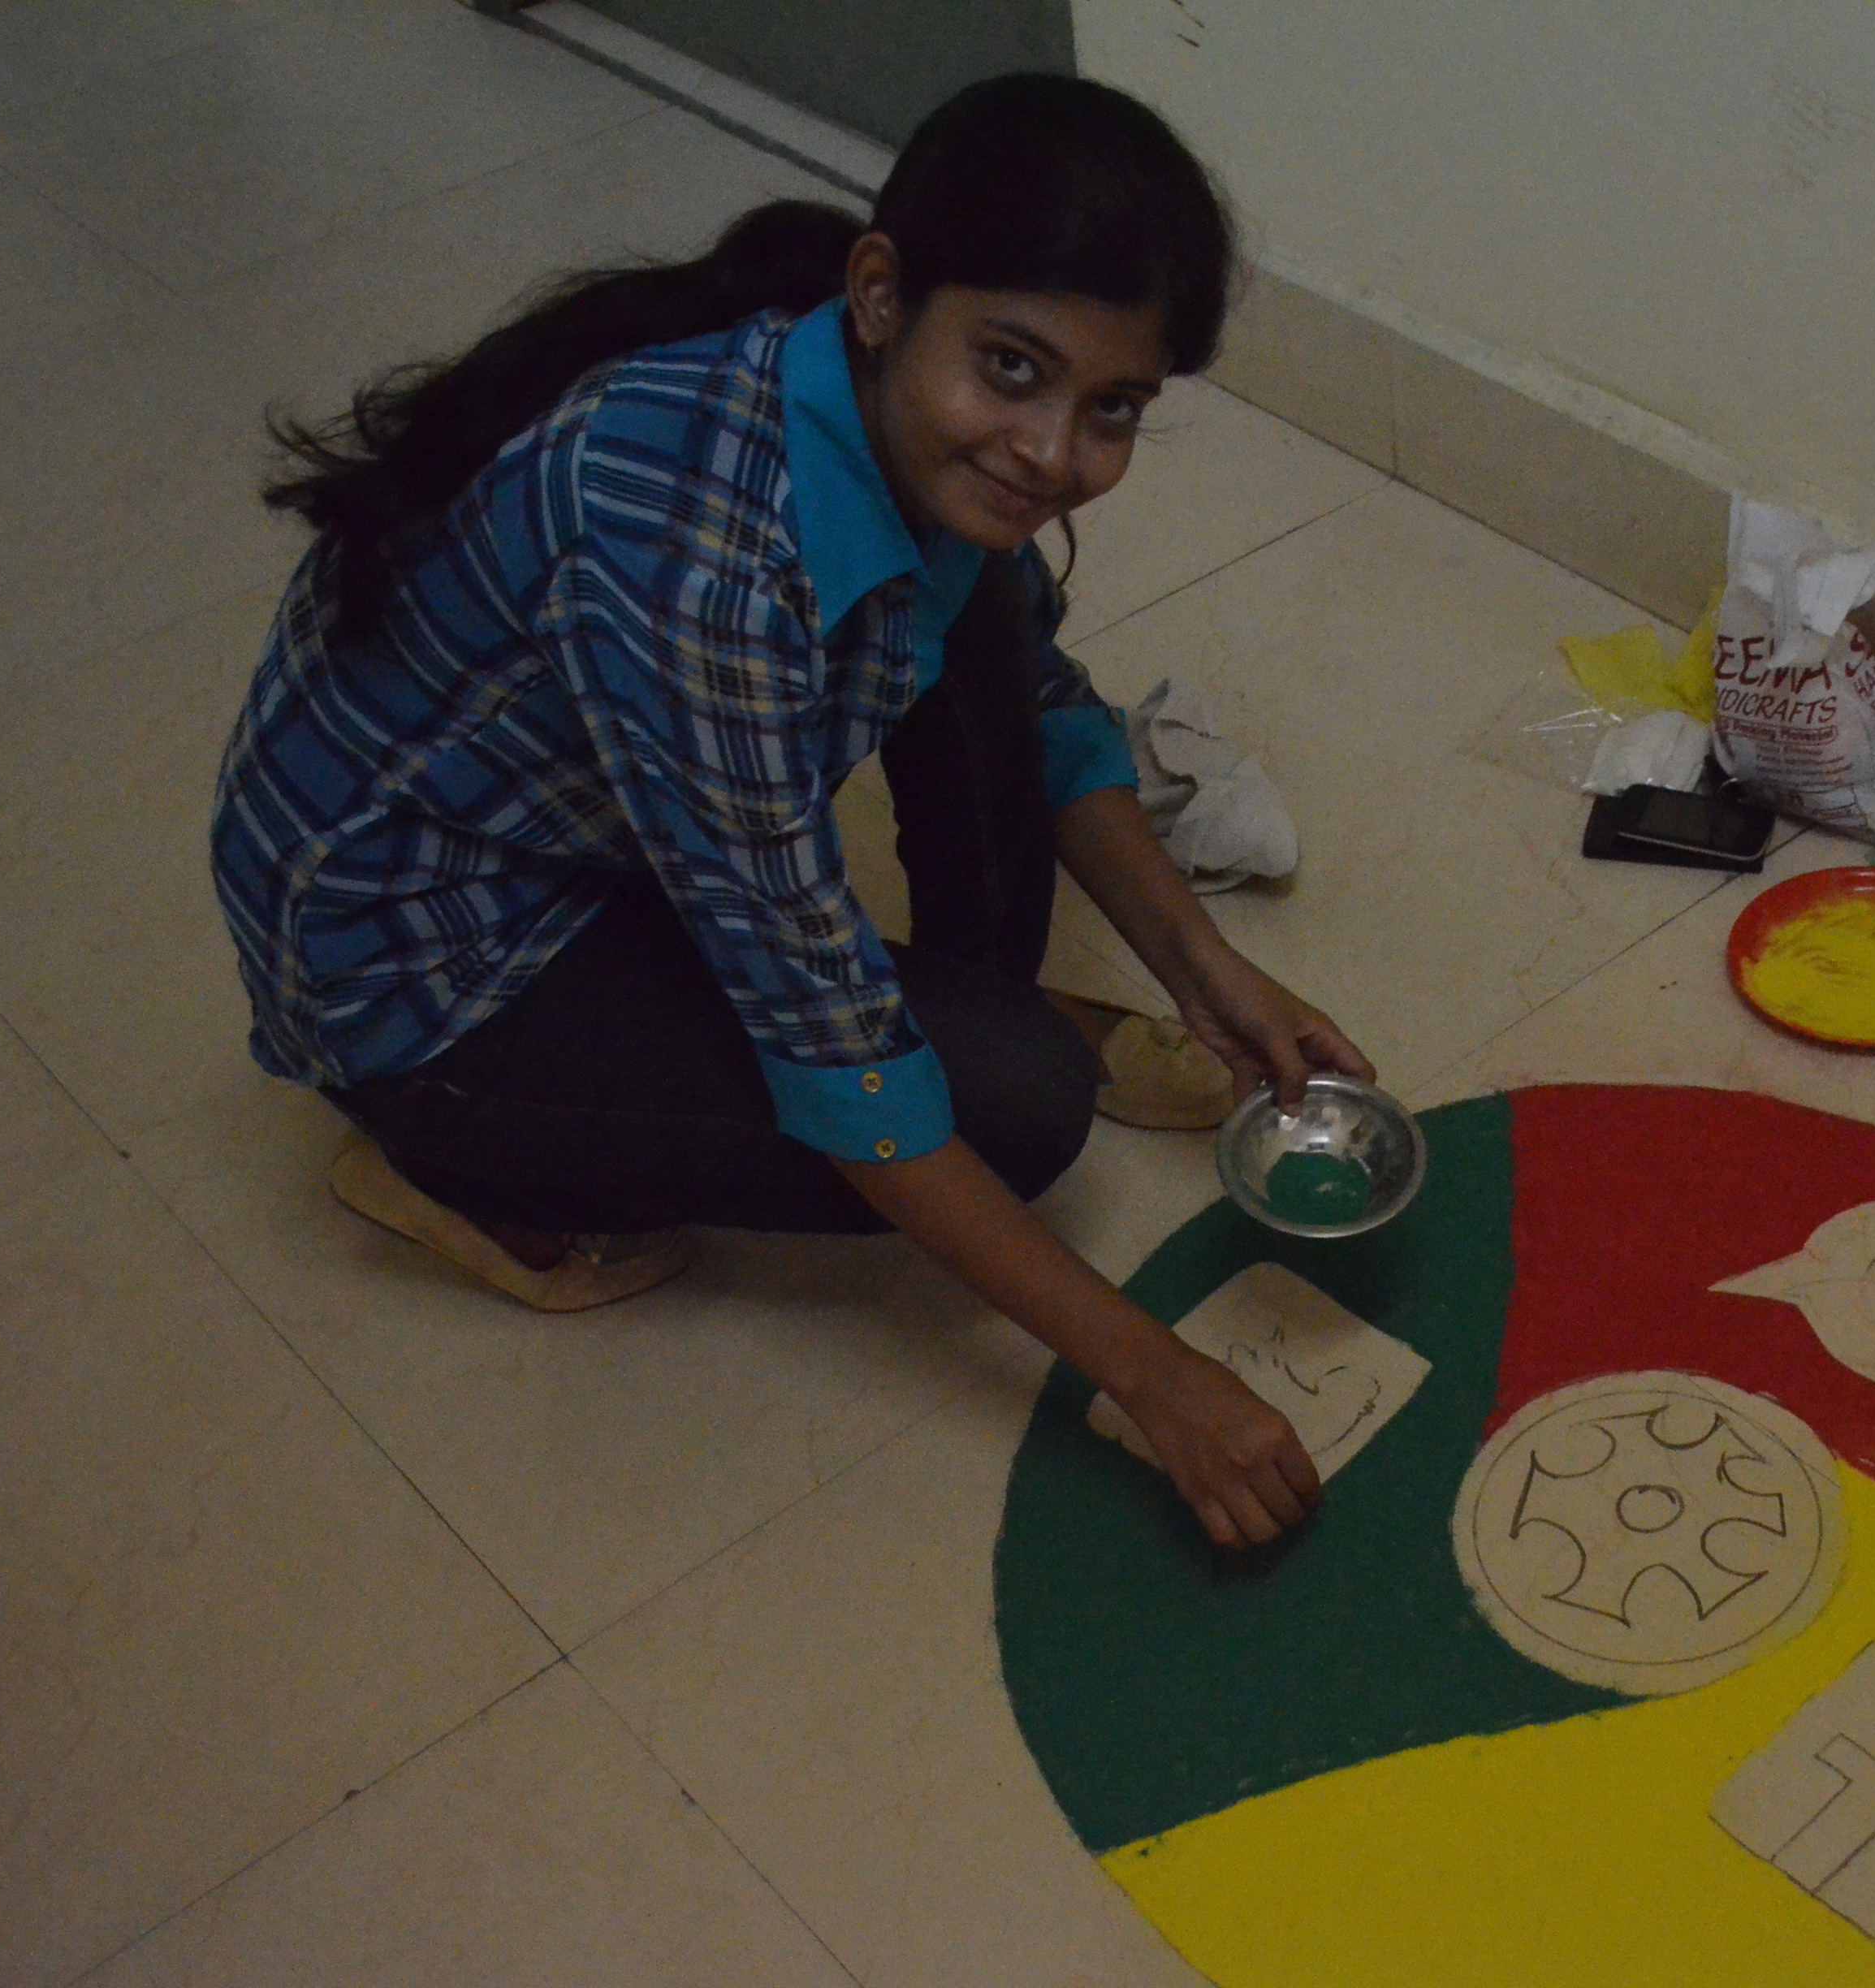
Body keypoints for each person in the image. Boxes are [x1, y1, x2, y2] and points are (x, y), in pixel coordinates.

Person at [210, 74, 1365, 1549]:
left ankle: (955, 1005)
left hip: (585, 825)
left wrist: (1211, 974)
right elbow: (841, 1075)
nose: (1049, 452)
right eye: (1012, 368)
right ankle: (445, 1161)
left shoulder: (857, 400)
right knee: (1016, 1109)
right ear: (881, 296)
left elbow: (1043, 702)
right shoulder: (700, 570)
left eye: (1112, 409)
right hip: (426, 965)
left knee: (984, 636)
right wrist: (1160, 1380)